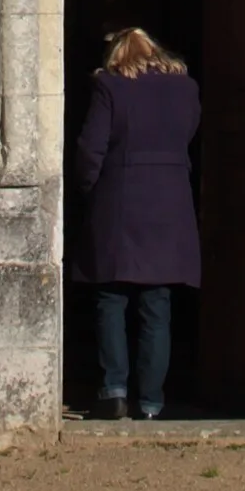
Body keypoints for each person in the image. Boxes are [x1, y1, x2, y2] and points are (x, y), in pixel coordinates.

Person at [71, 24, 201, 419]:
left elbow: (91, 146)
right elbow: (188, 134)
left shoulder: (110, 86)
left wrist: (87, 188)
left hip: (120, 199)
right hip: (169, 202)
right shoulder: (186, 89)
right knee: (156, 303)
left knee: (111, 297)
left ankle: (114, 390)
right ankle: (151, 402)